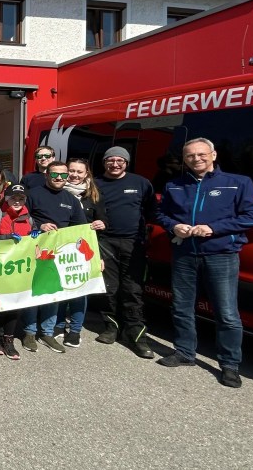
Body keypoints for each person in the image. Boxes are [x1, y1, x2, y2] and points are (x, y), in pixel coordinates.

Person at [155, 138, 253, 388]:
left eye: (201, 154)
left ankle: (229, 365)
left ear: (213, 155)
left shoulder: (238, 183)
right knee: (182, 307)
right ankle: (185, 352)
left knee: (226, 313)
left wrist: (214, 228)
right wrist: (174, 226)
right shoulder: (175, 185)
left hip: (221, 255)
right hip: (184, 254)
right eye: (190, 156)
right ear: (184, 159)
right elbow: (161, 214)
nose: (196, 159)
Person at [93, 147, 156, 358]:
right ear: (104, 163)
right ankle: (111, 327)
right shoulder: (96, 183)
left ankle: (136, 333)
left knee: (133, 289)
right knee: (109, 288)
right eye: (110, 160)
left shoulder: (141, 183)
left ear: (126, 163)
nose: (115, 164)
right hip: (105, 242)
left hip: (133, 243)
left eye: (120, 160)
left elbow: (151, 211)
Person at [23, 160, 87, 353]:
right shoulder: (32, 194)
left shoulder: (71, 199)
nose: (59, 178)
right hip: (34, 250)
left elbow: (80, 228)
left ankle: (47, 333)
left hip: (60, 253)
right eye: (54, 174)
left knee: (53, 293)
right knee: (34, 291)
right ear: (46, 175)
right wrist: (38, 226)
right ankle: (29, 332)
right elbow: (19, 218)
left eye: (63, 175)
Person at [0, 184, 37, 360]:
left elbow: (35, 241)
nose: (17, 201)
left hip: (19, 268)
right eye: (14, 198)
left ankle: (9, 338)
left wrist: (37, 234)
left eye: (21, 198)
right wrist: (5, 238)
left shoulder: (30, 218)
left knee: (15, 302)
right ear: (7, 199)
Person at [62, 158, 108, 348]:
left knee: (80, 291)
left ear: (86, 174)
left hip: (84, 250)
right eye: (71, 171)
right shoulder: (57, 192)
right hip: (61, 249)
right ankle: (57, 325)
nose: (74, 175)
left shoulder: (94, 196)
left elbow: (104, 221)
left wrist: (102, 224)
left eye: (79, 172)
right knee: (59, 289)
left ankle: (75, 330)